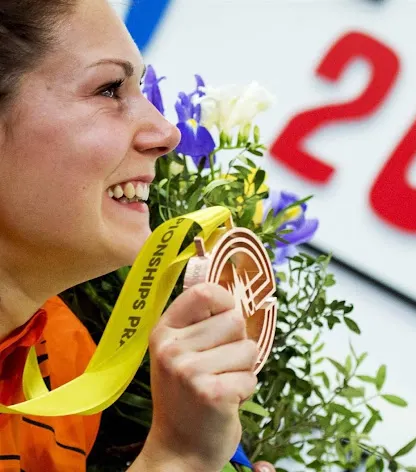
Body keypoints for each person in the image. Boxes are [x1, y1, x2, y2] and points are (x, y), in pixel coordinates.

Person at [0, 0, 276, 471]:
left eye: (143, 91)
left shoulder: (68, 364)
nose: (167, 131)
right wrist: (177, 457)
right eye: (109, 90)